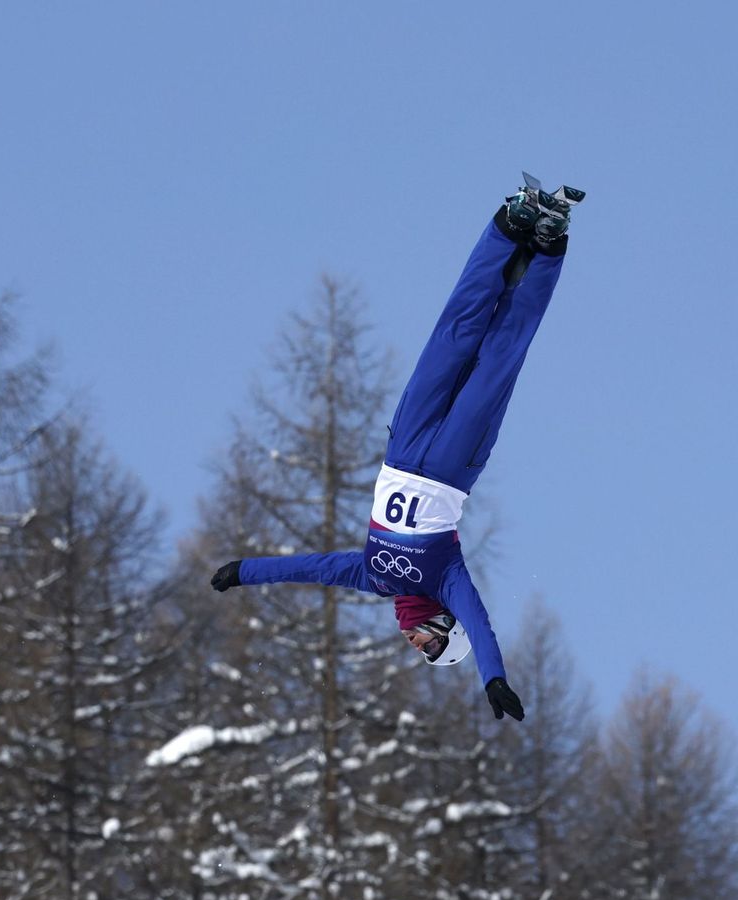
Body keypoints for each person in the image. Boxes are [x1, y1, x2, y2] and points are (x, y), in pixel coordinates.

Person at [208, 176, 583, 722]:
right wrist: (493, 676)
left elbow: (310, 569)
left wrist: (245, 572)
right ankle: (542, 247)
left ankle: (510, 231)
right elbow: (481, 624)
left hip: (404, 447)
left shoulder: (374, 577)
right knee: (495, 357)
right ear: (445, 628)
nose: (417, 645)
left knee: (452, 340)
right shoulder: (445, 581)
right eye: (432, 648)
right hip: (453, 464)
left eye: (422, 654)